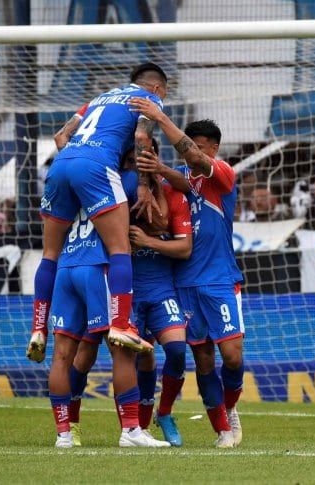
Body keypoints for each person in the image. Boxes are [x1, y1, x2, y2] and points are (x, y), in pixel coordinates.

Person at [27, 63, 168, 362]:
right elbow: (143, 138)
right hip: (96, 165)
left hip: (61, 164)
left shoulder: (97, 99)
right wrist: (143, 184)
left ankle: (38, 329)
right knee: (120, 247)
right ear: (157, 87)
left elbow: (60, 136)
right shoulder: (149, 98)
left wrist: (76, 171)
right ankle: (120, 324)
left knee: (49, 253)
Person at [133, 97, 245, 449]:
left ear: (214, 148)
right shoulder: (176, 180)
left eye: (199, 146)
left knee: (232, 356)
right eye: (189, 145)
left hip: (220, 279)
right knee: (203, 359)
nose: (192, 152)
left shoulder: (222, 174)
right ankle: (222, 429)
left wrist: (160, 117)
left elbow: (195, 161)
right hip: (183, 283)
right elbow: (171, 179)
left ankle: (231, 407)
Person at [42, 168, 161, 449]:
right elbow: (157, 219)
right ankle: (130, 429)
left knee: (62, 355)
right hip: (99, 267)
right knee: (122, 348)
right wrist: (149, 180)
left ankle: (64, 435)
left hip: (66, 268)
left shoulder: (64, 181)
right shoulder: (119, 178)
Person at [124, 143, 192, 447]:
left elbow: (184, 248)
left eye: (147, 157)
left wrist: (148, 241)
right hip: (128, 291)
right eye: (135, 159)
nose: (141, 164)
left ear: (156, 158)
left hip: (162, 289)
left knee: (177, 350)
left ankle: (164, 413)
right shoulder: (119, 193)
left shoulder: (173, 194)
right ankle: (136, 427)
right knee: (139, 356)